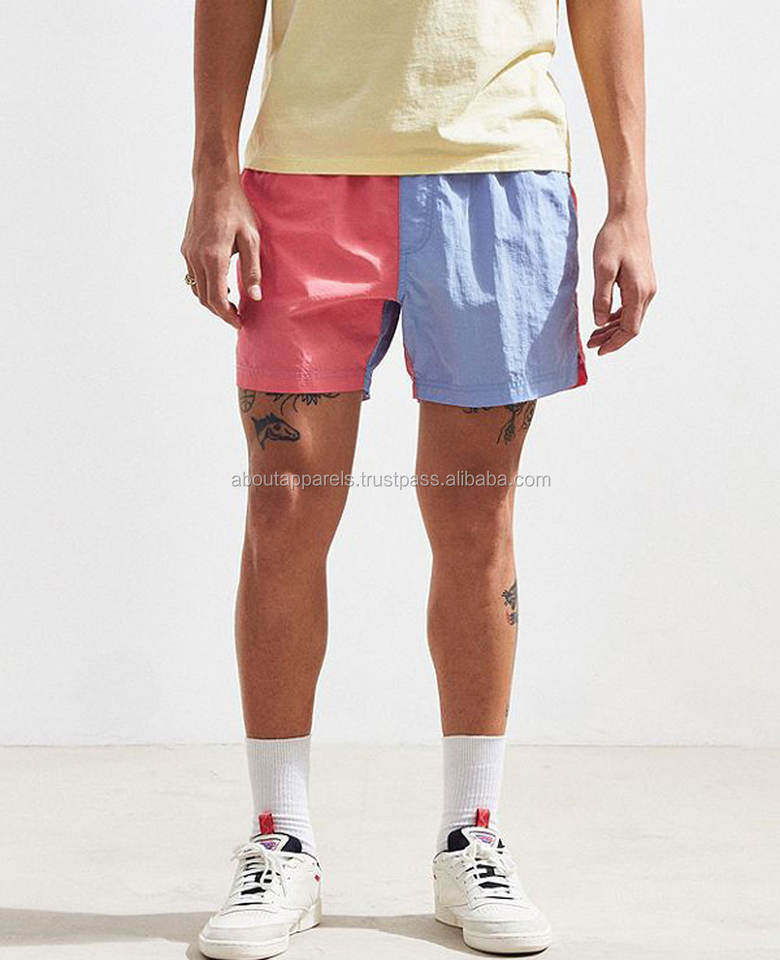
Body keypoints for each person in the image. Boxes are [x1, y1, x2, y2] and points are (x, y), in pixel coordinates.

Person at [181, 0, 656, 956]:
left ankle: (470, 836)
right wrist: (212, 175)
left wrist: (631, 201)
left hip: (499, 168)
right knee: (285, 509)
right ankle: (281, 839)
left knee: (478, 519)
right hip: (307, 167)